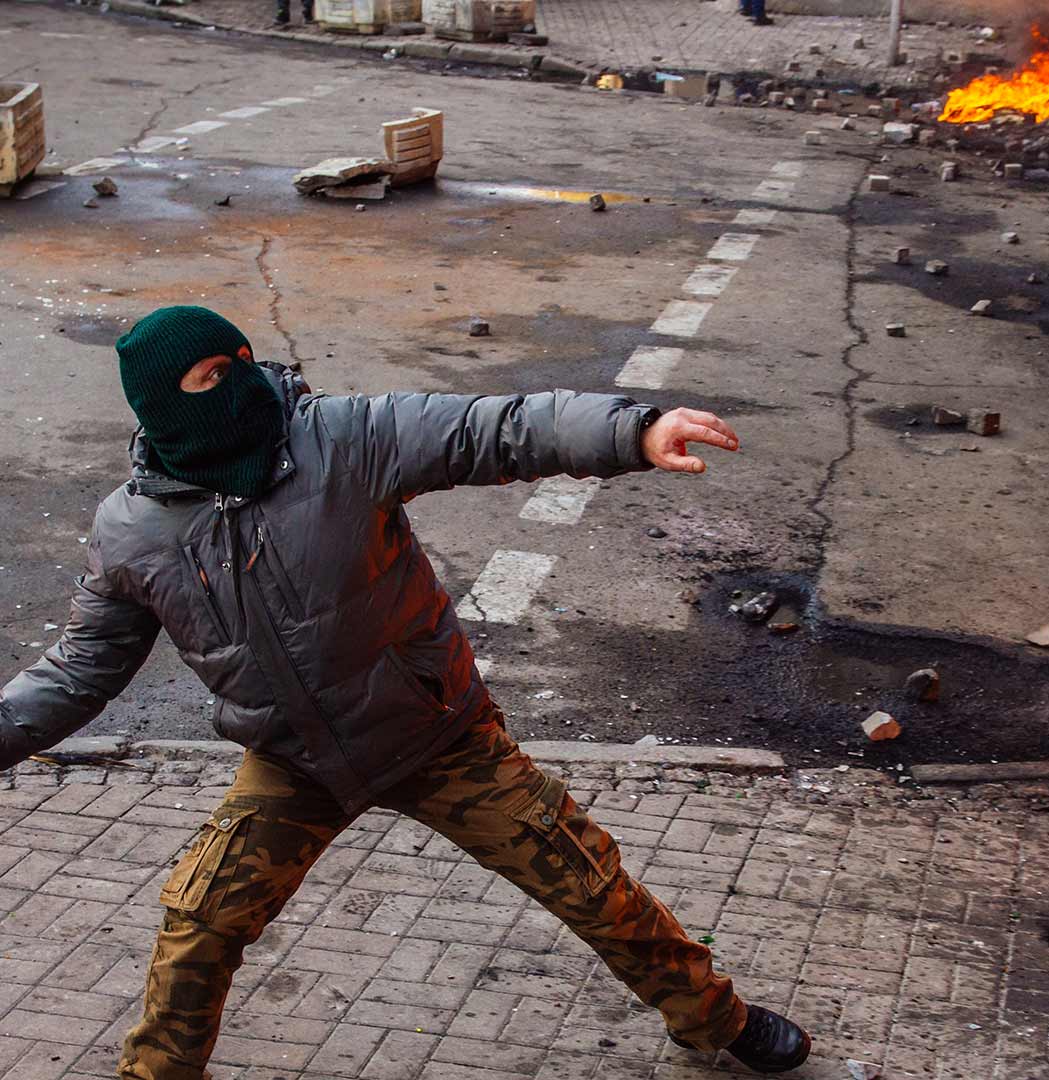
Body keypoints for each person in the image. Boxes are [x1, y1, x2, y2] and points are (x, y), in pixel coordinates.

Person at [0, 306, 811, 1077]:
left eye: (241, 362)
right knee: (199, 919)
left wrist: (634, 430)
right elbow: (80, 668)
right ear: (158, 403)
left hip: (436, 735)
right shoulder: (131, 529)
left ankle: (717, 1019)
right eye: (212, 376)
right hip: (294, 762)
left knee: (590, 883)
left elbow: (490, 429)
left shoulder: (340, 438)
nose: (241, 383)